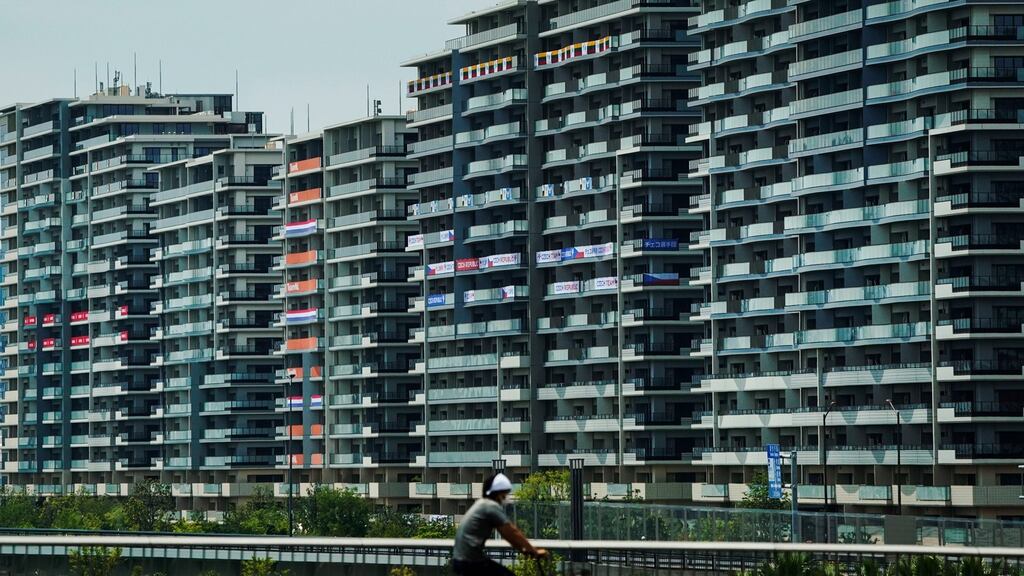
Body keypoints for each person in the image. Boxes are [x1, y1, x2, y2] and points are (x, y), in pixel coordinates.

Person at [452, 473, 548, 576]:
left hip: (463, 559)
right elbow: (511, 532)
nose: (506, 498)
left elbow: (509, 537)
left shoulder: (482, 504)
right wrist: (533, 550)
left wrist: (523, 550)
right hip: (470, 562)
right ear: (498, 494)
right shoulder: (490, 506)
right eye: (504, 494)